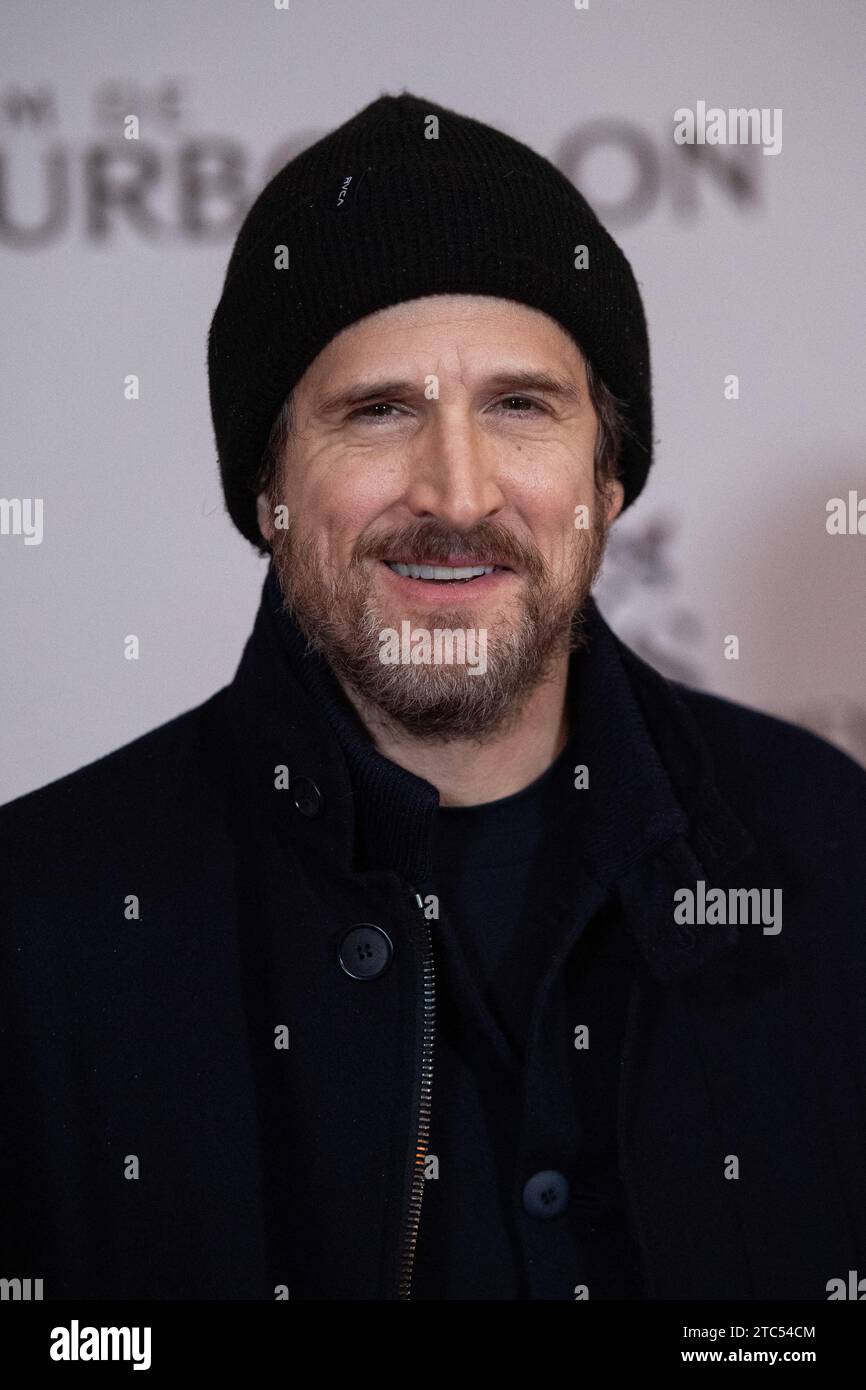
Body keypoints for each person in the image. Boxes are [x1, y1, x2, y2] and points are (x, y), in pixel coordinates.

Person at [2, 91, 865, 1302]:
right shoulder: (41, 926)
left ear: (607, 479)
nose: (456, 494)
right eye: (378, 412)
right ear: (267, 494)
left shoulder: (828, 849)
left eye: (518, 406)